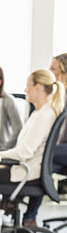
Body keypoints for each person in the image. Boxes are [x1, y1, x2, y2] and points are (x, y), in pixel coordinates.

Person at [0, 69, 65, 226]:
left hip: (26, 173)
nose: (25, 90)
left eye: (28, 86)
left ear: (38, 87)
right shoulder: (42, 112)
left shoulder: (43, 116)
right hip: (26, 169)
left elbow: (24, 152)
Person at [50, 53, 67, 181]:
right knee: (45, 166)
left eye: (53, 69)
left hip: (62, 147)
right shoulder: (59, 95)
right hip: (61, 147)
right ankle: (15, 198)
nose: (49, 72)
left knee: (42, 152)